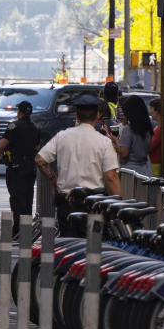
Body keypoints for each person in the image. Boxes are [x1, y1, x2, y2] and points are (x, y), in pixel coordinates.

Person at [35, 93, 121, 233]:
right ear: (97, 115)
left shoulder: (62, 136)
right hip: (94, 203)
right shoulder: (104, 142)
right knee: (93, 247)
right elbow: (111, 177)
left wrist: (52, 178)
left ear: (77, 116)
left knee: (69, 244)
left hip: (67, 202)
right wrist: (117, 204)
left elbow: (40, 160)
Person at [0, 100, 41, 240]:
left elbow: (2, 144)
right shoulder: (36, 127)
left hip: (16, 167)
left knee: (16, 198)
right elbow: (38, 147)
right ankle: (26, 230)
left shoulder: (14, 126)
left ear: (19, 112)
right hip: (30, 168)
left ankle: (17, 230)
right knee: (27, 199)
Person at [113, 95, 152, 177]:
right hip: (145, 170)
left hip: (130, 173)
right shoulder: (147, 128)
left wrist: (116, 141)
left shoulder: (128, 129)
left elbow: (124, 153)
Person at [149, 98, 164, 176]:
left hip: (157, 164)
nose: (150, 111)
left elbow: (150, 146)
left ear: (157, 110)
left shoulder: (162, 127)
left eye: (151, 109)